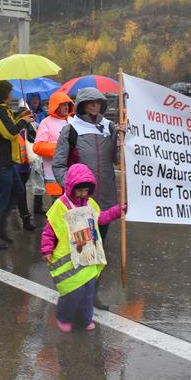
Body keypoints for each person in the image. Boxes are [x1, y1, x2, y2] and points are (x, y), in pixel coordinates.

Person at [52, 87, 121, 310]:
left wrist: (124, 140)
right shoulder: (70, 129)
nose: (94, 106)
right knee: (83, 251)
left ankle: (93, 292)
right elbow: (59, 164)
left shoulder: (110, 127)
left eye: (98, 102)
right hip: (81, 203)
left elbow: (118, 160)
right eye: (90, 102)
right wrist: (71, 189)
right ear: (81, 104)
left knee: (99, 250)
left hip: (106, 200)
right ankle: (78, 292)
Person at [41, 163, 123, 332]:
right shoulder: (60, 206)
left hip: (88, 258)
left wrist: (118, 211)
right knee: (71, 293)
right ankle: (64, 317)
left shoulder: (90, 204)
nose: (82, 194)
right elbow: (49, 230)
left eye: (86, 190)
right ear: (71, 187)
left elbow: (101, 218)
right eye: (79, 190)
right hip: (69, 260)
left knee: (87, 293)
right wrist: (47, 249)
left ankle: (85, 319)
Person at [0, 80, 34, 250]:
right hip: (1, 161)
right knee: (1, 200)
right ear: (5, 93)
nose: (12, 94)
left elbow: (9, 125)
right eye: (10, 91)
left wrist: (21, 116)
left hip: (8, 161)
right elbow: (10, 132)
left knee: (18, 191)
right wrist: (23, 121)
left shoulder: (4, 109)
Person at [33, 92, 74, 200]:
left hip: (72, 172)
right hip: (53, 174)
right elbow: (37, 147)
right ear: (55, 105)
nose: (66, 107)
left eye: (68, 104)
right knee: (57, 207)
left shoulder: (73, 122)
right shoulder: (45, 123)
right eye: (63, 104)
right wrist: (61, 148)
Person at [14, 109, 37, 231]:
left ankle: (15, 206)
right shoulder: (14, 128)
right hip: (16, 165)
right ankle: (25, 218)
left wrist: (31, 124)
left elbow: (35, 139)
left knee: (20, 191)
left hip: (25, 165)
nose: (29, 118)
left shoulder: (29, 128)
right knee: (21, 191)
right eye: (27, 116)